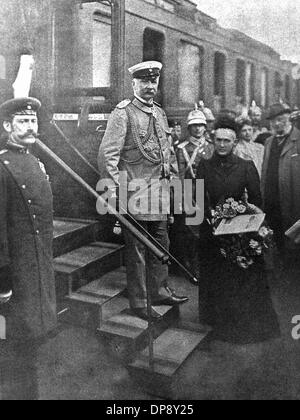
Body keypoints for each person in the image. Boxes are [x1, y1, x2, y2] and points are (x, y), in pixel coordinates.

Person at [98, 61, 188, 321]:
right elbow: (107, 158)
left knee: (162, 244)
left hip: (159, 195)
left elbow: (166, 155)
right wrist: (115, 194)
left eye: (154, 81)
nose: (150, 86)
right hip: (134, 193)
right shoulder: (122, 113)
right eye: (144, 82)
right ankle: (139, 301)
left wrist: (172, 191)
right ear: (134, 84)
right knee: (137, 250)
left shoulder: (159, 113)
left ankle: (159, 291)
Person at [197, 114, 280, 344]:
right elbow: (196, 201)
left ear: (235, 143)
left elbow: (256, 202)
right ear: (213, 141)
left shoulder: (246, 167)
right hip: (213, 233)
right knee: (217, 279)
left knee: (243, 281)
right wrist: (210, 220)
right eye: (219, 140)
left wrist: (241, 224)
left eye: (227, 141)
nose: (222, 145)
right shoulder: (203, 166)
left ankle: (243, 327)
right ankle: (217, 327)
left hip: (240, 234)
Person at [0, 97, 57, 400]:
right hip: (15, 274)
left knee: (27, 344)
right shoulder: (2, 166)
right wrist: (3, 281)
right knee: (13, 345)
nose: (30, 127)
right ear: (8, 126)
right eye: (23, 121)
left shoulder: (35, 162)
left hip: (36, 267)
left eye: (33, 121)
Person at [175, 108, 214, 278]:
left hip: (211, 194)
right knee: (192, 233)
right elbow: (179, 175)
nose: (198, 129)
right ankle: (193, 267)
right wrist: (180, 200)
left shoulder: (212, 147)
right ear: (189, 128)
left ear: (205, 127)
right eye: (194, 126)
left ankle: (209, 265)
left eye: (200, 125)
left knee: (211, 230)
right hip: (191, 193)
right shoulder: (182, 148)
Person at [261, 102, 300, 255]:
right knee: (276, 248)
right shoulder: (269, 142)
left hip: (294, 207)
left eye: (281, 120)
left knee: (294, 250)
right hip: (272, 205)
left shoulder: (298, 141)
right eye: (273, 121)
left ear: (289, 119)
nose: (277, 124)